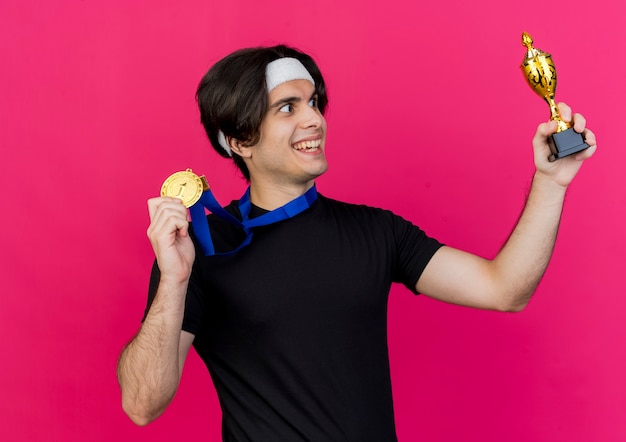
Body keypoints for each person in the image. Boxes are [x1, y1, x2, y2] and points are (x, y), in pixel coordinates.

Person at [117, 45, 596, 441]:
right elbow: (141, 405)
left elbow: (504, 289)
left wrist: (551, 182)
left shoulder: (376, 231)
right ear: (238, 141)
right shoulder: (198, 250)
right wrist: (175, 280)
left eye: (314, 103)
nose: (314, 120)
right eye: (288, 107)